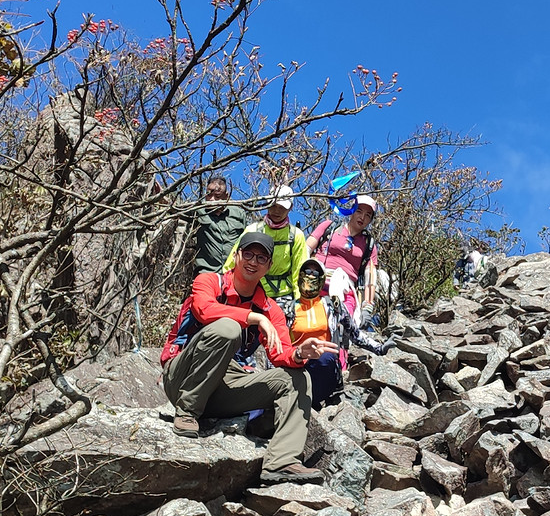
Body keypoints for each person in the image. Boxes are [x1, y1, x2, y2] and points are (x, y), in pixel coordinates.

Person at [161, 227, 334, 480]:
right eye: (249, 254)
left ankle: (281, 462)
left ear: (269, 266)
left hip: (223, 387)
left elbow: (281, 353)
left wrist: (299, 355)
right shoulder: (209, 281)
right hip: (184, 376)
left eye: (261, 258)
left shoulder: (270, 308)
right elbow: (204, 310)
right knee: (228, 329)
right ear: (237, 256)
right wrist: (253, 318)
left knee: (297, 378)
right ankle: (187, 412)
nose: (254, 262)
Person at [291, 255, 392, 407]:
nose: (310, 276)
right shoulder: (288, 308)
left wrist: (380, 348)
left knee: (325, 358)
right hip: (295, 366)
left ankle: (307, 403)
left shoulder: (332, 306)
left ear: (322, 280)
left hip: (324, 366)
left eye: (316, 274)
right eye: (307, 271)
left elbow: (354, 333)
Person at [225, 185, 307, 312]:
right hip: (252, 290)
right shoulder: (252, 230)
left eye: (282, 207)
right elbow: (233, 262)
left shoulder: (296, 236)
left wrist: (300, 303)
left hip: (284, 295)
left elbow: (299, 272)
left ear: (290, 208)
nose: (277, 211)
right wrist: (225, 288)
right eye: (273, 205)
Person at [307, 193, 379, 318]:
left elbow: (370, 278)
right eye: (359, 211)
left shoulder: (369, 245)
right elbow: (304, 250)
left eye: (368, 215)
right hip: (316, 279)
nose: (362, 217)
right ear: (351, 211)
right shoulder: (329, 227)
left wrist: (367, 305)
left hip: (345, 288)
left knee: (342, 326)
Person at [190, 176, 248, 276]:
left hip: (234, 273)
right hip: (206, 272)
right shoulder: (198, 210)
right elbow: (175, 209)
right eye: (208, 195)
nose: (212, 200)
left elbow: (247, 240)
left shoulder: (238, 213)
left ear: (226, 196)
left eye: (217, 197)